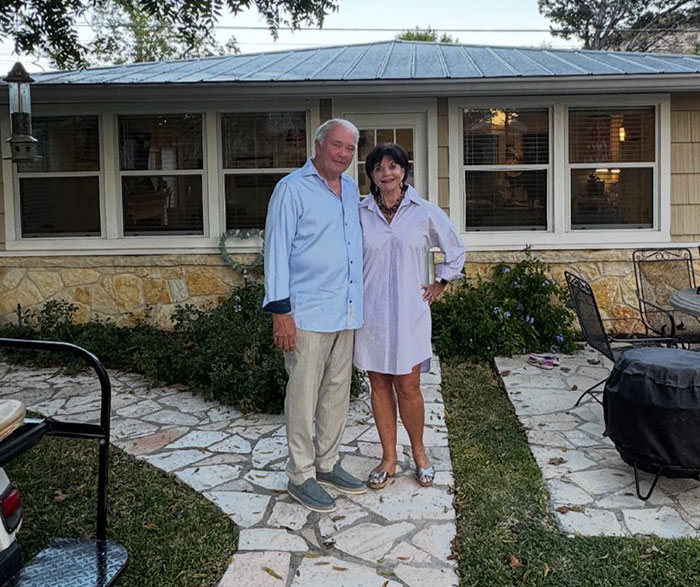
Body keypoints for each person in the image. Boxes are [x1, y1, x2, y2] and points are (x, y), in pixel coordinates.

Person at [263, 119, 367, 513]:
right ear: (319, 144)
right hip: (306, 312)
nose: (343, 154)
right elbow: (275, 251)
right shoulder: (291, 189)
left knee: (337, 393)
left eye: (350, 149)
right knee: (303, 396)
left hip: (345, 310)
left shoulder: (352, 190)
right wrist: (280, 312)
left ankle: (327, 463)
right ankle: (300, 474)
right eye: (337, 146)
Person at [354, 143, 466, 490]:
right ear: (370, 175)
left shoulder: (424, 211)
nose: (386, 173)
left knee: (408, 385)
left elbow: (455, 249)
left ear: (404, 171)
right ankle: (389, 457)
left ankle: (419, 453)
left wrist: (440, 283)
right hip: (370, 312)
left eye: (393, 166)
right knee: (379, 385)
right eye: (378, 168)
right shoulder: (359, 211)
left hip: (409, 313)